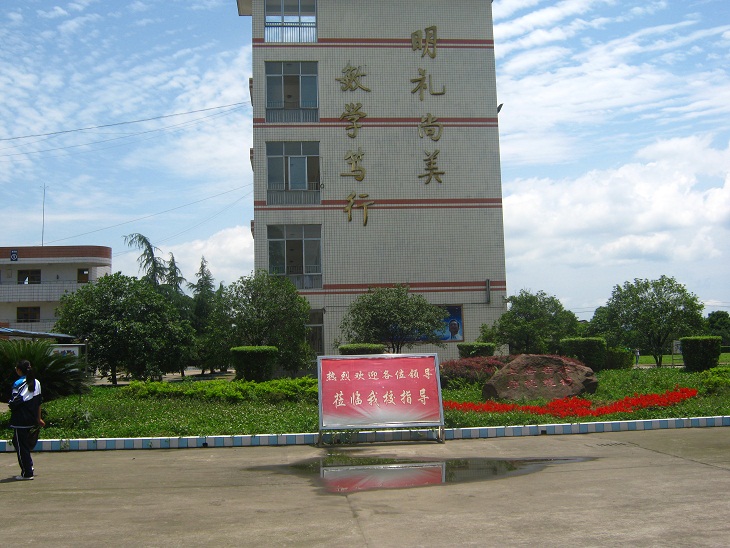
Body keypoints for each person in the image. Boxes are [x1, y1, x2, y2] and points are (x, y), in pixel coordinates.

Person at [9, 359, 44, 480]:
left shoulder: (18, 383)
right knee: (17, 442)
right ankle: (29, 465)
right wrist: (39, 418)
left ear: (19, 370)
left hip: (20, 419)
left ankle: (27, 473)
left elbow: (14, 401)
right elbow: (39, 402)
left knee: (21, 445)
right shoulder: (37, 382)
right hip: (31, 418)